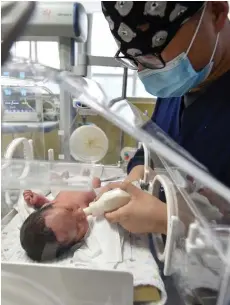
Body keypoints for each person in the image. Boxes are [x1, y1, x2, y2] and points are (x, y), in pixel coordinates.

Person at [97, 1, 230, 235]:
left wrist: (175, 220)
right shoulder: (180, 88)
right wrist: (138, 174)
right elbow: (154, 147)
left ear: (217, 13)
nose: (145, 72)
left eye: (153, 56)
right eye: (135, 60)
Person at [20, 177, 101, 262]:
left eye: (69, 209)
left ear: (50, 204)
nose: (80, 213)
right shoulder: (90, 215)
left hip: (71, 182)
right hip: (90, 187)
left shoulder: (49, 208)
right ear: (75, 243)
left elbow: (46, 205)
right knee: (95, 180)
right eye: (78, 227)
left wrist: (39, 200)